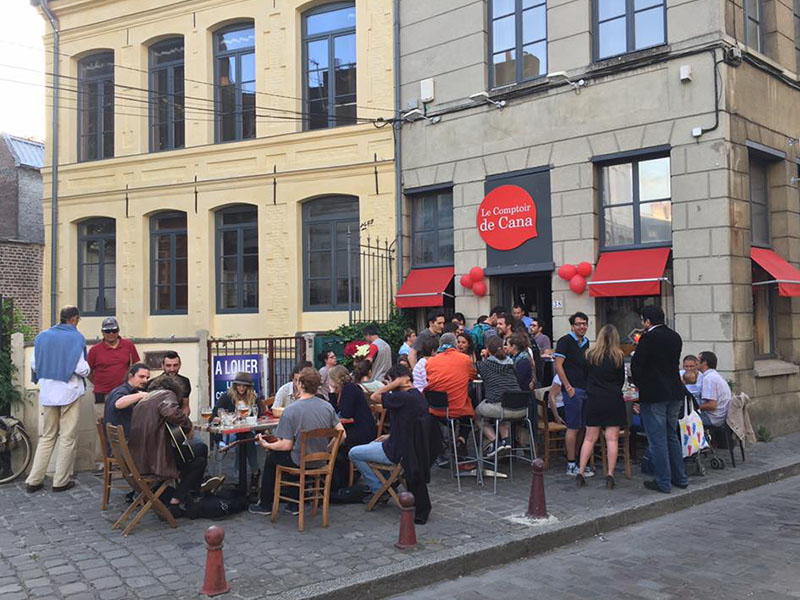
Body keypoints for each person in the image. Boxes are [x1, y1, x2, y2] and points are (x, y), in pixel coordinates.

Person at [248, 368, 345, 515]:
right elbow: (342, 434)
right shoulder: (327, 406)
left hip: (300, 461)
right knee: (294, 453)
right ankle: (292, 504)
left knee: (274, 458)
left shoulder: (291, 410)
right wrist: (328, 450)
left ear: (300, 384)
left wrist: (266, 445)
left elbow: (285, 444)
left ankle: (266, 504)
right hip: (321, 461)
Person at [25, 306, 88, 494]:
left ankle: (34, 480)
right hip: (69, 391)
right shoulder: (76, 337)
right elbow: (81, 368)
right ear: (74, 318)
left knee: (47, 436)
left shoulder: (42, 336)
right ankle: (60, 481)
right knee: (67, 437)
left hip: (47, 392)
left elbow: (35, 365)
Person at [128, 376, 209, 516]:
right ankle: (179, 499)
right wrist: (188, 425)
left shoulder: (144, 400)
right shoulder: (166, 394)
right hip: (157, 461)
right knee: (200, 455)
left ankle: (185, 493)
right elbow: (171, 412)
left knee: (191, 456)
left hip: (141, 461)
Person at [349, 364, 428, 504]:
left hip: (396, 451)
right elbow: (409, 425)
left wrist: (395, 383)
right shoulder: (418, 396)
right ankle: (385, 481)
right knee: (373, 444)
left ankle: (379, 488)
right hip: (408, 447)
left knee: (354, 453)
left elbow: (375, 396)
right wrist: (391, 435)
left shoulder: (401, 397)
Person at [630, 305, 688, 494]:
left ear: (647, 321)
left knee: (657, 439)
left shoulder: (648, 338)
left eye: (643, 320)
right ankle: (680, 477)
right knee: (671, 435)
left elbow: (637, 364)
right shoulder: (675, 336)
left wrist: (639, 385)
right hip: (674, 391)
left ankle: (663, 481)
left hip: (654, 393)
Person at [576, 325, 626, 489]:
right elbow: (620, 381)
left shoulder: (590, 355)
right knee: (612, 439)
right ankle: (610, 474)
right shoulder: (618, 356)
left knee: (589, 438)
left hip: (594, 399)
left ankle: (581, 471)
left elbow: (584, 376)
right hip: (613, 399)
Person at [554, 312, 593, 477]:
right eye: (578, 324)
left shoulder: (586, 342)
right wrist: (568, 386)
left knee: (584, 427)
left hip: (585, 389)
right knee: (573, 427)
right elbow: (558, 365)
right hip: (573, 390)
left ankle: (580, 460)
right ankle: (570, 463)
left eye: (584, 324)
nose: (582, 327)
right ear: (572, 326)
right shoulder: (565, 342)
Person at [212, 371, 264, 487]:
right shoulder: (227, 397)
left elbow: (259, 414)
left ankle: (241, 477)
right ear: (235, 386)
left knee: (247, 438)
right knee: (245, 439)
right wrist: (224, 418)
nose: (241, 388)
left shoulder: (253, 398)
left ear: (248, 387)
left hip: (247, 430)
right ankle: (252, 473)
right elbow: (215, 413)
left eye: (244, 385)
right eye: (239, 385)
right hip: (230, 432)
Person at [475, 337, 524, 457]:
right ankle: (506, 440)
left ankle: (495, 441)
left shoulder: (484, 365)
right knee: (503, 411)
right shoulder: (511, 363)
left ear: (487, 349)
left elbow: (481, 373)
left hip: (500, 407)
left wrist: (484, 357)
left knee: (477, 414)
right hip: (520, 407)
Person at [87, 316, 140, 411]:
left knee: (125, 420)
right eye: (107, 331)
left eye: (114, 330)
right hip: (102, 393)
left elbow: (136, 366)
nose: (111, 333)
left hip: (124, 391)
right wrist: (97, 383)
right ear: (102, 332)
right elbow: (88, 371)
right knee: (102, 420)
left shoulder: (128, 345)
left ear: (118, 330)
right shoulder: (94, 350)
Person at [425, 332, 477, 422]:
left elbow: (429, 379)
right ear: (455, 344)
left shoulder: (430, 361)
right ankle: (462, 435)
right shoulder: (465, 359)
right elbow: (473, 375)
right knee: (470, 402)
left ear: (440, 345)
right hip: (458, 408)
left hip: (435, 408)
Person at [104, 363, 150, 440]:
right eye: (141, 377)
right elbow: (118, 404)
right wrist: (141, 395)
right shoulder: (121, 391)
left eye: (147, 378)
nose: (145, 380)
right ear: (130, 376)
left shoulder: (132, 391)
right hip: (123, 445)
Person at [148, 351, 192, 416]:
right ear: (162, 366)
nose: (172, 369)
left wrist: (183, 422)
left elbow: (185, 406)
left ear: (180, 365)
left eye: (175, 365)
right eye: (168, 366)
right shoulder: (152, 383)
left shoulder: (185, 381)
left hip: (177, 420)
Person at [697, 351, 731, 427]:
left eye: (698, 360)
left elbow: (712, 405)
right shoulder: (715, 375)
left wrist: (695, 408)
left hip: (713, 418)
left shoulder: (709, 378)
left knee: (682, 419)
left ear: (704, 363)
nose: (696, 363)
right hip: (720, 416)